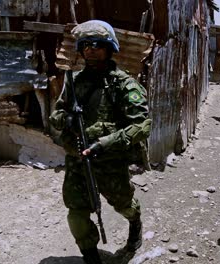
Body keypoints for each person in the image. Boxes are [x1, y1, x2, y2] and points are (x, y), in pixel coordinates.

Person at [49, 20, 151, 263]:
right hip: (77, 161)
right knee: (76, 213)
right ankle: (91, 257)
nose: (90, 50)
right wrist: (68, 119)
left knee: (124, 205)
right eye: (85, 45)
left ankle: (135, 227)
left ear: (109, 47)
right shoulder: (73, 81)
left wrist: (104, 143)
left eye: (97, 45)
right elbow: (56, 115)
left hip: (109, 161)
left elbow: (141, 125)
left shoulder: (123, 84)